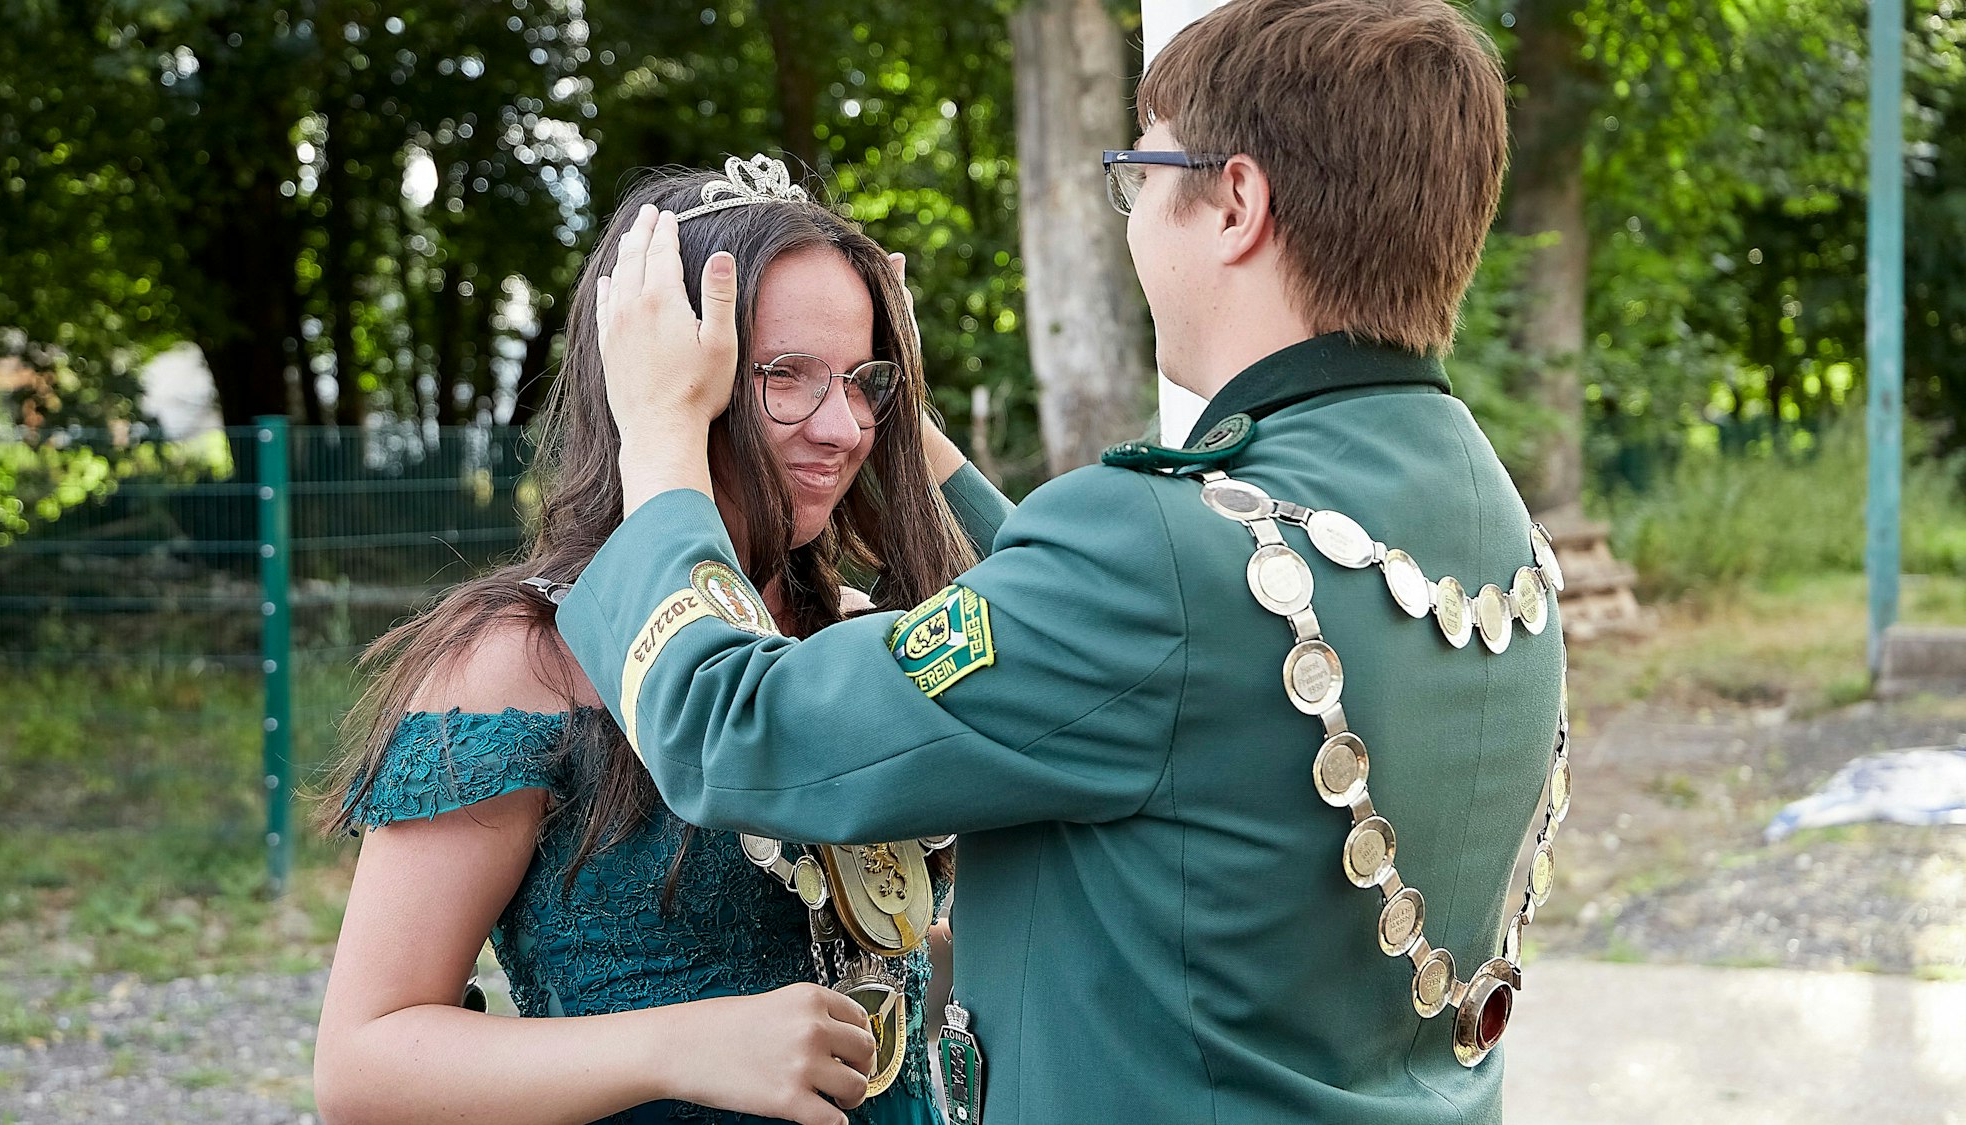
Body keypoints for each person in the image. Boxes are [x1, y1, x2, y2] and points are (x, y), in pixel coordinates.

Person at [557, 2, 1571, 1123]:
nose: (1130, 222)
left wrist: (658, 435)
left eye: (1139, 175)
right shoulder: (1491, 526)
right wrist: (903, 434)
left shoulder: (1159, 554)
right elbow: (1132, 634)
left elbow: (730, 731)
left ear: (1234, 203)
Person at [311, 160, 1013, 1125]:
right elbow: (363, 1066)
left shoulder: (853, 628)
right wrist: (682, 1044)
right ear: (667, 377)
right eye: (786, 378)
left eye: (864, 382)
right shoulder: (521, 665)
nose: (845, 428)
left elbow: (1059, 640)